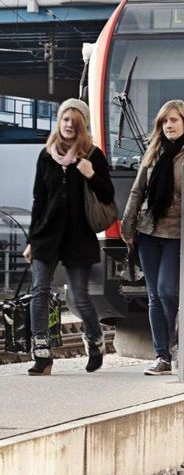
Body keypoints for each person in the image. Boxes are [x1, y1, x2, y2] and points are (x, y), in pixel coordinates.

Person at [22, 99, 115, 376]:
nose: (68, 126)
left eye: (74, 122)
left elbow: (107, 195)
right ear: (59, 122)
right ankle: (42, 354)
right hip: (46, 235)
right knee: (39, 290)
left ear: (82, 126)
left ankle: (95, 339)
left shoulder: (93, 156)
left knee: (80, 296)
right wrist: (31, 239)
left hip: (78, 235)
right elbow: (39, 198)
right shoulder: (46, 155)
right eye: (65, 120)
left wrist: (90, 174)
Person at [121, 99, 184, 376]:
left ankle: (175, 342)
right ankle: (163, 356)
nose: (169, 125)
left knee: (168, 290)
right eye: (165, 121)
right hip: (148, 229)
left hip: (176, 233)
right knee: (154, 295)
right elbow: (137, 191)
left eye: (174, 120)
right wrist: (128, 225)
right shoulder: (153, 152)